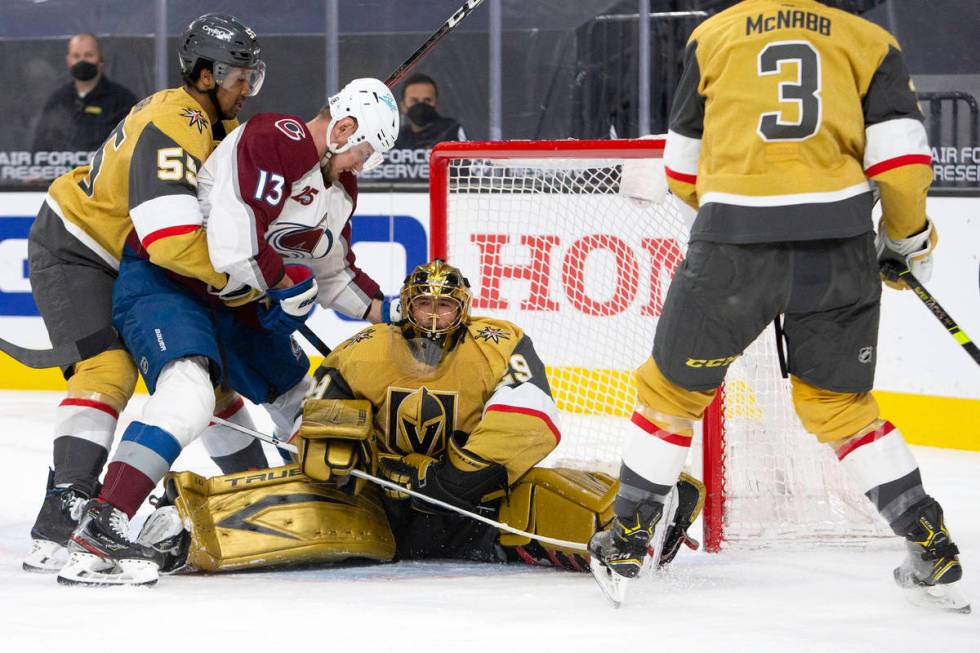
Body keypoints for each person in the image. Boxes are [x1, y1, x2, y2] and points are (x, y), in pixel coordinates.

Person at [588, 0, 969, 613]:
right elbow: (901, 165)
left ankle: (627, 543)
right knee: (841, 406)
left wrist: (725, 226)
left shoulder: (712, 35)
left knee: (670, 396)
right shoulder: (870, 40)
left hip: (732, 250)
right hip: (838, 252)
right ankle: (930, 542)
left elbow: (682, 167)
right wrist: (905, 240)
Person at [132, 260, 706, 576]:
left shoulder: (499, 341)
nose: (433, 316)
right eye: (423, 304)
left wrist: (454, 475)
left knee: (546, 498)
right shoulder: (363, 350)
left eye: (445, 305)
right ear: (406, 307)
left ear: (465, 309)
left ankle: (650, 516)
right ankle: (188, 526)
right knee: (300, 508)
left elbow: (532, 416)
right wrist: (343, 462)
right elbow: (314, 427)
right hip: (382, 503)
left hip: (476, 502)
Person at [55, 78, 402, 587]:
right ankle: (102, 523)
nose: (362, 166)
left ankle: (322, 510)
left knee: (306, 403)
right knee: (190, 391)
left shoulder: (339, 190)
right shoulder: (276, 138)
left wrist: (390, 310)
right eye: (365, 153)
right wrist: (285, 287)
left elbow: (333, 275)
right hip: (170, 285)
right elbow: (235, 241)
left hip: (240, 303)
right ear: (345, 129)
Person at [23, 13, 264, 575]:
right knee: (107, 371)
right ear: (205, 75)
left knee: (201, 373)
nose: (246, 89)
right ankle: (65, 513)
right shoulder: (179, 121)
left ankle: (257, 490)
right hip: (79, 246)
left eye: (252, 77)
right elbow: (172, 241)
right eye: (238, 76)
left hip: (130, 261)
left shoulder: (203, 120)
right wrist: (237, 279)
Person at [32, 33, 138, 154]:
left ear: (101, 59)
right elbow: (40, 148)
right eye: (76, 56)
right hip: (64, 172)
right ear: (68, 61)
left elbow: (133, 146)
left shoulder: (122, 100)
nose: (82, 61)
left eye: (88, 55)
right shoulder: (58, 100)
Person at [392, 73, 466, 150]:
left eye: (427, 100)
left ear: (436, 103)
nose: (421, 105)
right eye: (414, 101)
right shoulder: (394, 139)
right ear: (403, 106)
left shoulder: (452, 132)